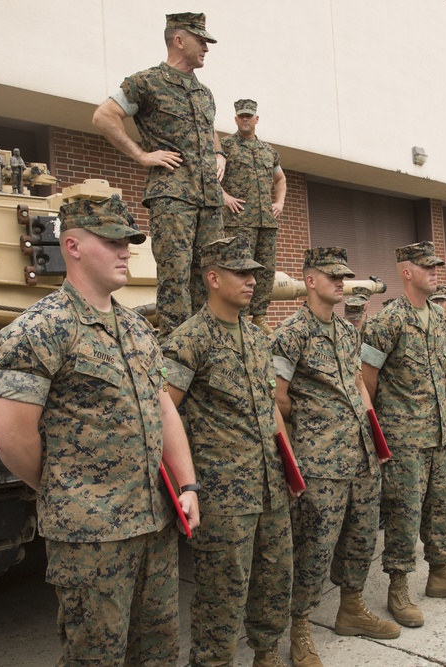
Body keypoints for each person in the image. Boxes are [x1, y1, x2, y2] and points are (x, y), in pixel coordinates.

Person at [0, 195, 199, 666]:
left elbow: (163, 408)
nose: (126, 251)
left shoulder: (138, 328)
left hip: (156, 523)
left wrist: (187, 483)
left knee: (159, 650)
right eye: (112, 242)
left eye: (128, 242)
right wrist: (65, 489)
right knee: (95, 657)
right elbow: (11, 435)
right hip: (91, 539)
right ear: (73, 246)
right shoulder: (42, 328)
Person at [161, 235, 295, 666]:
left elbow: (271, 404)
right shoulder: (188, 341)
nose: (252, 280)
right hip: (222, 495)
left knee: (275, 579)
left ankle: (267, 653)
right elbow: (164, 415)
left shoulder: (258, 338)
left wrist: (289, 465)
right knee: (222, 593)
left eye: (254, 272)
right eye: (241, 272)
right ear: (213, 278)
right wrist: (188, 485)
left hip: (270, 485)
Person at [272, 247, 400, 666]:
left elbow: (361, 387)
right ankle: (300, 628)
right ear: (310, 280)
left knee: (361, 538)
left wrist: (373, 436)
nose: (342, 284)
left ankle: (351, 607)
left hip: (361, 455)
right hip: (322, 462)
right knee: (314, 547)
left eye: (345, 277)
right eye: (333, 277)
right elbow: (278, 397)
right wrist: (317, 422)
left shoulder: (348, 332)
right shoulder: (291, 333)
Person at [361, 241, 446, 629]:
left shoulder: (439, 317)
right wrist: (392, 423)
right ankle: (398, 585)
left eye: (436, 266)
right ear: (406, 272)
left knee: (444, 504)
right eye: (427, 266)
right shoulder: (386, 321)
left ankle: (440, 572)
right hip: (404, 436)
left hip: (440, 431)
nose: (435, 272)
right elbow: (367, 380)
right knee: (404, 510)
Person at [93, 12, 226, 338]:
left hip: (209, 199)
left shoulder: (204, 92)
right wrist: (141, 154)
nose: (207, 47)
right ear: (179, 40)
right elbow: (104, 116)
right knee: (175, 274)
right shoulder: (146, 82)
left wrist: (219, 153)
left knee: (211, 272)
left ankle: (208, 343)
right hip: (173, 195)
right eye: (201, 40)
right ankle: (178, 348)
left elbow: (209, 131)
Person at [220, 99, 287, 334]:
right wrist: (224, 196)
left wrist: (278, 202)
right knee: (239, 269)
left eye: (249, 115)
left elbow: (280, 179)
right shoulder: (226, 146)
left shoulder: (269, 151)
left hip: (266, 223)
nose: (245, 119)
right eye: (241, 116)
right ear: (236, 119)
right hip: (238, 222)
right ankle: (236, 318)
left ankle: (258, 317)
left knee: (265, 270)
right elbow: (209, 174)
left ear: (256, 119)